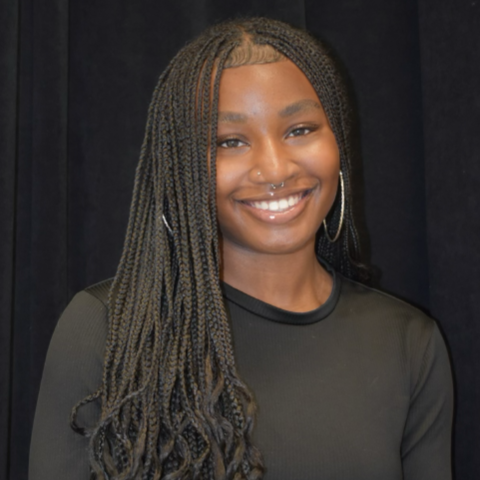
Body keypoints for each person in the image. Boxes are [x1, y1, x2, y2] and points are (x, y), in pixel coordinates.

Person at [29, 17, 454, 480]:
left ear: (339, 142)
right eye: (230, 142)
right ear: (182, 170)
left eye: (300, 129)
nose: (274, 168)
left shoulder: (408, 343)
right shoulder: (107, 330)